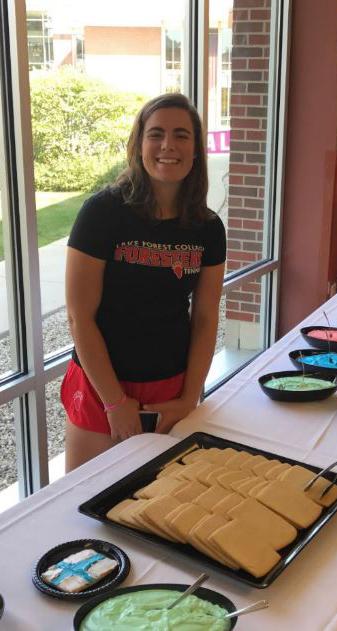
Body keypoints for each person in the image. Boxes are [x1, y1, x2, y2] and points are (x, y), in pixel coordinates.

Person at [62, 93, 226, 472]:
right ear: (139, 145)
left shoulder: (208, 227)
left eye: (182, 135)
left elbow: (204, 317)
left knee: (157, 502)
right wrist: (115, 403)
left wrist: (188, 397)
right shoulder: (102, 212)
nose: (168, 145)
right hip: (100, 384)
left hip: (170, 386)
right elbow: (78, 317)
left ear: (196, 149)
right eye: (156, 134)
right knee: (82, 501)